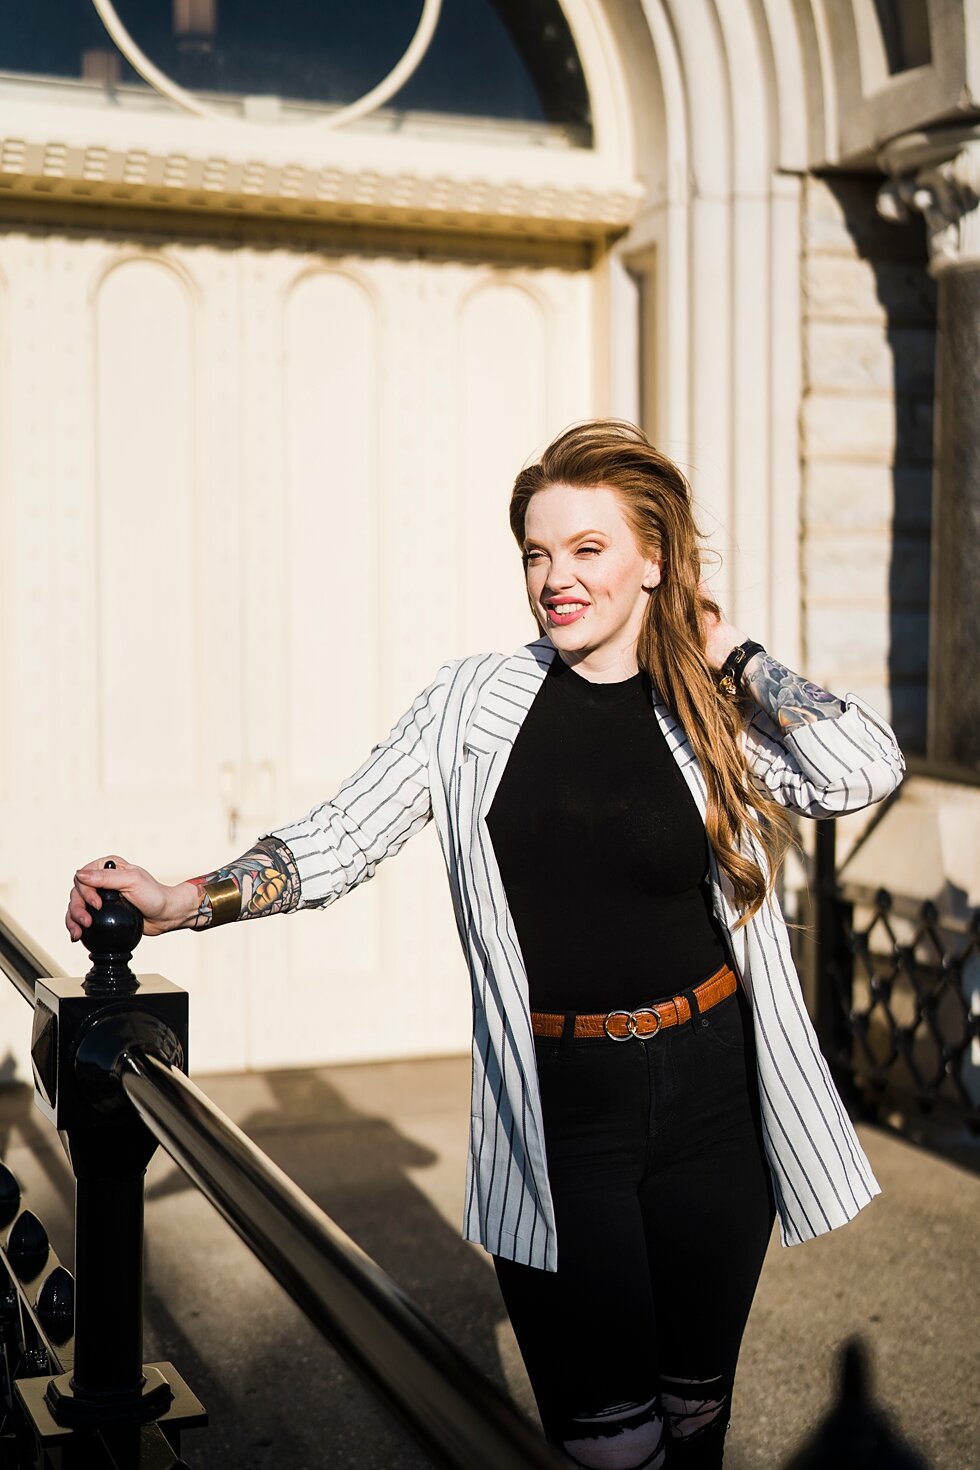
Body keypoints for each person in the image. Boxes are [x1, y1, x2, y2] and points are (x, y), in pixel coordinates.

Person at [66, 420, 904, 1468]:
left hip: (713, 1107)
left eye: (586, 549)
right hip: (559, 1116)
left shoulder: (708, 709)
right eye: (535, 553)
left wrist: (728, 651)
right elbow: (340, 836)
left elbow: (864, 766)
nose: (554, 578)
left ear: (654, 559)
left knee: (695, 1428)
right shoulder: (472, 704)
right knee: (610, 1450)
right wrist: (185, 897)